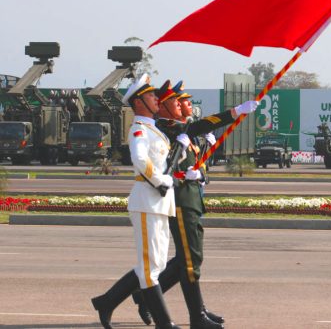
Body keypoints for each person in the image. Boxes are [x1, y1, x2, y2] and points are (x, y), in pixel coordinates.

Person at [131, 79, 258, 329]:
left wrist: (235, 113)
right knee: (181, 261)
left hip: (187, 197)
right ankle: (182, 311)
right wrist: (169, 178)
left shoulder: (174, 128)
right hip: (173, 198)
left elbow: (195, 132)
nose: (180, 105)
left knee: (184, 260)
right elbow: (153, 162)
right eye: (175, 102)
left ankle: (158, 301)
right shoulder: (161, 128)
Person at [91, 73, 183, 329]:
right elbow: (140, 160)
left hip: (158, 204)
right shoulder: (139, 129)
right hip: (147, 201)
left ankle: (107, 302)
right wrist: (162, 180)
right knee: (150, 268)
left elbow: (161, 161)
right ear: (139, 102)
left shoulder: (154, 129)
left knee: (157, 263)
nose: (156, 98)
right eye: (151, 95)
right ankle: (164, 323)